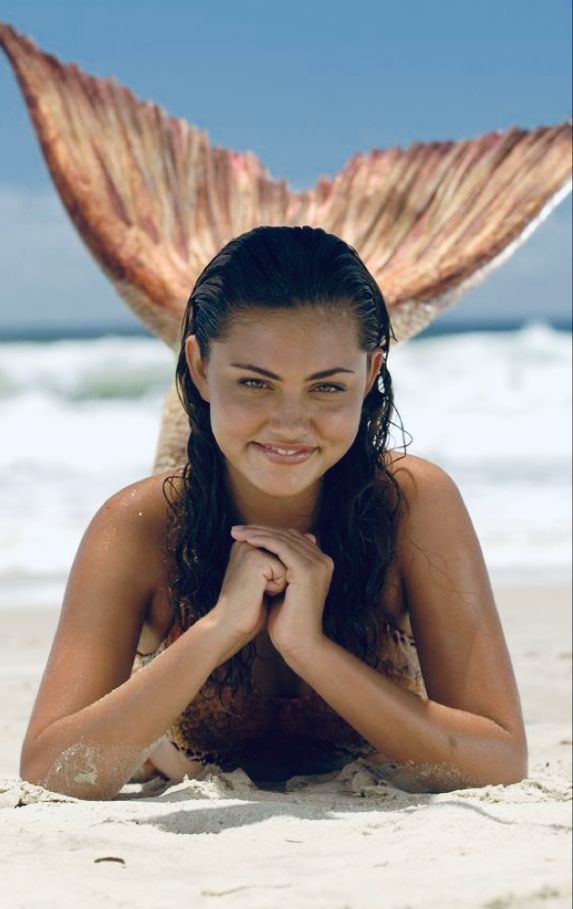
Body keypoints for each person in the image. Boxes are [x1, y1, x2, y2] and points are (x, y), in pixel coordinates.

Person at [19, 226, 528, 799]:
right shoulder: (140, 526)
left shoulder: (410, 506)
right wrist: (216, 629)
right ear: (200, 366)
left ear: (370, 374)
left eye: (327, 388)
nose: (290, 423)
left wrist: (310, 649)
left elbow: (500, 758)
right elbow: (49, 774)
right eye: (255, 382)